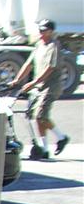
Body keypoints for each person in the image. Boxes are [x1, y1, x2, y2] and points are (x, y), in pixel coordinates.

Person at [12, 19, 70, 159]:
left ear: (51, 31)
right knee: (35, 117)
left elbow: (50, 68)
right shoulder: (39, 45)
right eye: (40, 30)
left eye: (44, 30)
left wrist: (33, 83)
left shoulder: (53, 46)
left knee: (40, 116)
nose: (41, 32)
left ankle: (61, 137)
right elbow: (29, 64)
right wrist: (17, 80)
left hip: (50, 87)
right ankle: (44, 149)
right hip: (39, 87)